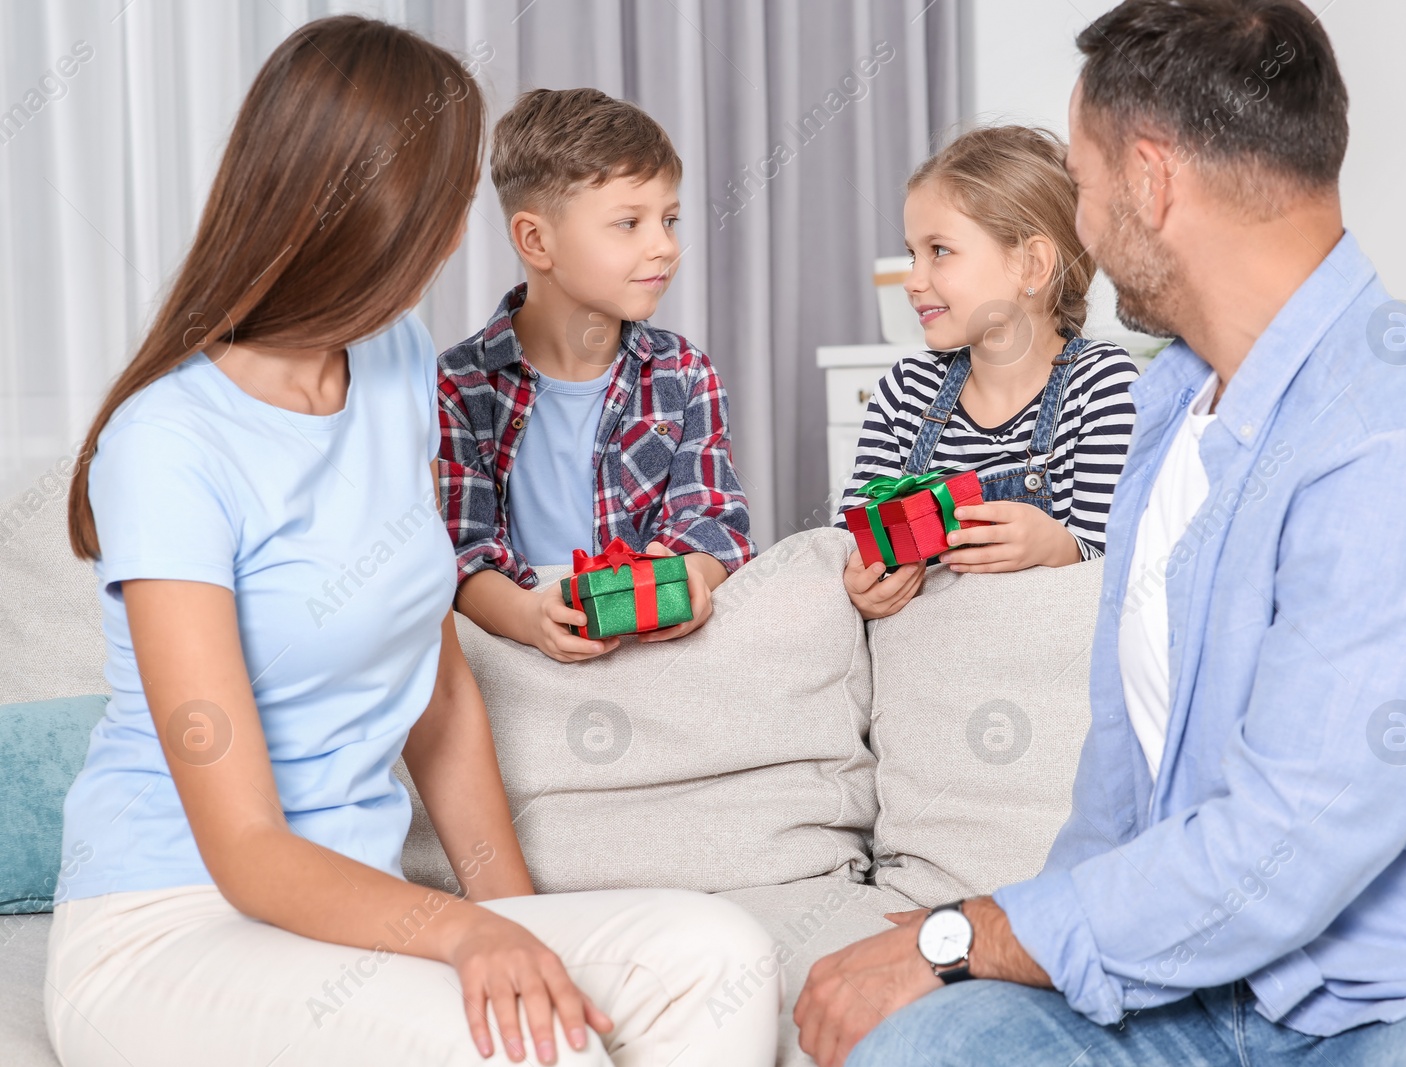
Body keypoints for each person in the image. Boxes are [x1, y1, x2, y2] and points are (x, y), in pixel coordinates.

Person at [796, 2, 1406, 1064]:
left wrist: (972, 932)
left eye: (1081, 184)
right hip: (1202, 992)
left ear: (1149, 178)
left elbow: (1281, 850)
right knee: (921, 1047)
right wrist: (1007, 941)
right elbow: (1122, 796)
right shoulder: (1174, 410)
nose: (1081, 225)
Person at [49, 18, 777, 1066]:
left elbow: (435, 691)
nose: (450, 246)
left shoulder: (391, 361)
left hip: (358, 914)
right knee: (533, 1046)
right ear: (357, 221)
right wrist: (464, 933)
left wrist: (515, 919)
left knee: (717, 956)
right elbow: (247, 848)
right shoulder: (166, 444)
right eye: (435, 217)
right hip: (174, 920)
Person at [437, 87, 754, 663]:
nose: (664, 246)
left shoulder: (684, 374)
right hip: (520, 643)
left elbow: (715, 521)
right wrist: (530, 618)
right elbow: (464, 555)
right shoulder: (459, 386)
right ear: (536, 240)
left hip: (654, 647)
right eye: (629, 223)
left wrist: (690, 579)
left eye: (670, 219)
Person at [833, 125, 1137, 621]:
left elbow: (1125, 575)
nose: (913, 281)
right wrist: (861, 587)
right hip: (923, 666)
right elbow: (851, 545)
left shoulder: (1101, 385)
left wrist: (1058, 548)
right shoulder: (906, 391)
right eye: (913, 253)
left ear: (1032, 266)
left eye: (940, 251)